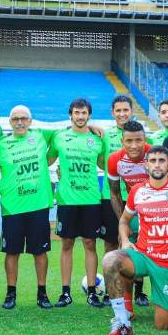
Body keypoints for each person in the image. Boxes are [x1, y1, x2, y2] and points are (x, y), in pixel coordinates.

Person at [101, 145, 168, 335]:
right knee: (111, 260)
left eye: (161, 160)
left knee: (163, 325)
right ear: (146, 165)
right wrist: (126, 240)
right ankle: (122, 320)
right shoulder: (137, 191)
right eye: (152, 161)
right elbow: (124, 220)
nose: (157, 164)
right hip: (144, 255)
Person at [107, 119, 168, 308]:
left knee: (161, 254)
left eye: (138, 140)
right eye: (129, 141)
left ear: (145, 139)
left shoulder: (156, 155)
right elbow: (115, 191)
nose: (134, 145)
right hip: (134, 211)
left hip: (162, 213)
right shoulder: (115, 159)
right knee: (129, 250)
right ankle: (127, 303)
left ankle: (160, 297)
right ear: (122, 141)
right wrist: (123, 223)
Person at [0, 105, 55, 310]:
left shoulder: (40, 136)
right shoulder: (1, 144)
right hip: (12, 207)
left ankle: (42, 293)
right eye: (15, 119)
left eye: (23, 118)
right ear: (10, 122)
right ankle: (10, 294)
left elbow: (71, 130)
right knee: (11, 252)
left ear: (30, 121)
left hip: (38, 205)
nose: (20, 122)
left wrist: (91, 126)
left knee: (40, 252)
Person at [50, 97, 106, 309]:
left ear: (89, 115)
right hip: (66, 200)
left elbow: (104, 163)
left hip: (91, 199)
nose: (80, 116)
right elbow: (47, 160)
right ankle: (65, 293)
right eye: (77, 113)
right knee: (66, 244)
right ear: (70, 115)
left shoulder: (98, 139)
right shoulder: (59, 137)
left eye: (84, 113)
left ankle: (92, 292)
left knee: (90, 244)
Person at [96, 94, 135, 299]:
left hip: (136, 199)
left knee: (137, 244)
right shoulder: (106, 136)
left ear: (131, 111)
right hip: (110, 196)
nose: (122, 114)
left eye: (125, 110)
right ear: (112, 113)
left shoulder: (141, 136)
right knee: (111, 242)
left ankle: (138, 292)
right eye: (118, 110)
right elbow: (99, 162)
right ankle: (111, 290)